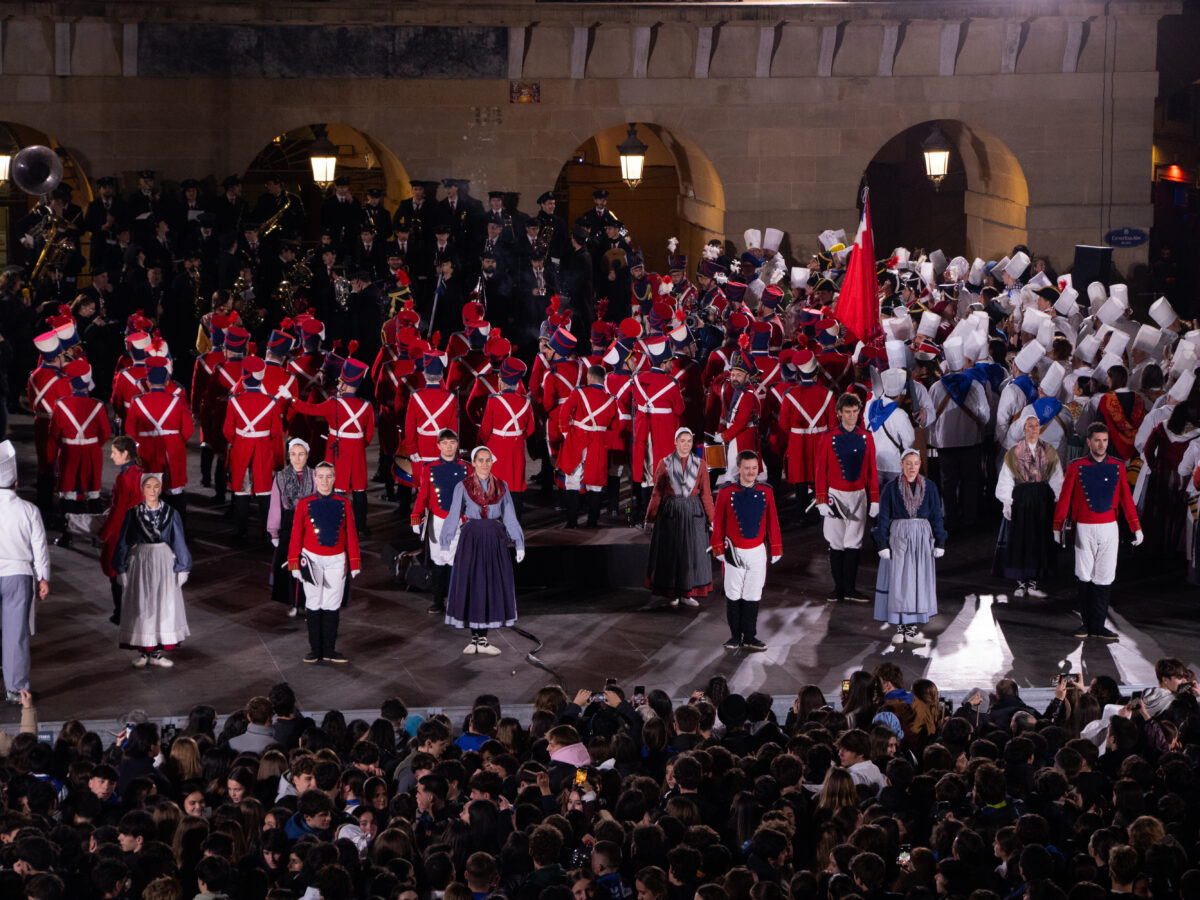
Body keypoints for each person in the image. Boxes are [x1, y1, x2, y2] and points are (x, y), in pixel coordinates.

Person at [1053, 422, 1143, 642]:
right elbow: (1064, 498)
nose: (1101, 444)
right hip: (1083, 527)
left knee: (1104, 577)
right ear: (1088, 441)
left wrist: (1136, 527)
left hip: (1109, 528)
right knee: (1084, 576)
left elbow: (1126, 500)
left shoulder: (1118, 466)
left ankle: (1099, 625)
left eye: (1104, 440)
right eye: (1097, 440)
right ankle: (1086, 623)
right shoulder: (1076, 466)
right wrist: (1057, 526)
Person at [439, 446, 525, 656]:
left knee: (490, 584)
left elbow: (510, 516)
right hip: (472, 539)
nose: (485, 464)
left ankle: (483, 639)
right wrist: (445, 542)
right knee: (472, 583)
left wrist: (519, 542)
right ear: (474, 463)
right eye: (481, 460)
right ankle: (474, 638)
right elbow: (453, 515)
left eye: (488, 460)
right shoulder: (464, 486)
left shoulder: (502, 487)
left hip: (494, 539)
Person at [113, 473, 192, 668]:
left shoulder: (170, 513)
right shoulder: (133, 513)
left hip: (163, 559)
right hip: (141, 559)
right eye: (148, 486)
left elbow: (179, 540)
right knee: (142, 603)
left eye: (156, 486)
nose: (153, 490)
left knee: (161, 603)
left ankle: (156, 653)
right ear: (142, 489)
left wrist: (183, 567)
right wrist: (121, 568)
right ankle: (143, 650)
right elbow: (123, 541)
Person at [288, 461, 361, 664]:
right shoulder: (304, 503)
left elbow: (351, 535)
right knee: (313, 603)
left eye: (328, 476)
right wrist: (294, 562)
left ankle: (329, 650)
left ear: (334, 478)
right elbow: (296, 535)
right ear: (314, 478)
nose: (324, 480)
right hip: (311, 560)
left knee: (331, 605)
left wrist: (354, 562)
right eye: (320, 476)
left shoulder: (344, 503)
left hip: (336, 560)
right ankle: (315, 650)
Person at [710, 450, 782, 652]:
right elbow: (718, 523)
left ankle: (750, 636)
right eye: (747, 468)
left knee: (753, 594)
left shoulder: (766, 491)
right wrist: (718, 549)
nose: (751, 472)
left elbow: (772, 522)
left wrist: (776, 547)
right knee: (734, 594)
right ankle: (734, 636)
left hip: (757, 551)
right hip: (734, 551)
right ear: (739, 468)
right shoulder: (726, 492)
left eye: (754, 468)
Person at [873, 448, 946, 647]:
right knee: (900, 583)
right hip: (900, 536)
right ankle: (899, 627)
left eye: (916, 463)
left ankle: (911, 628)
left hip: (922, 536)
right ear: (901, 465)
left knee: (918, 582)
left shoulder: (929, 487)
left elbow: (936, 515)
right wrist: (883, 543)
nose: (912, 467)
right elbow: (884, 517)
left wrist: (940, 541)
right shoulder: (890, 488)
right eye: (908, 463)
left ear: (920, 465)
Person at [815, 393, 880, 603]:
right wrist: (821, 499)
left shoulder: (867, 437)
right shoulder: (827, 437)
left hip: (859, 495)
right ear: (839, 413)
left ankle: (850, 589)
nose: (852, 416)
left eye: (855, 411)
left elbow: (872, 470)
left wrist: (875, 499)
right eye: (848, 412)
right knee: (836, 543)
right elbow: (820, 471)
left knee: (854, 543)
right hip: (835, 495)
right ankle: (838, 588)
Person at [993, 415, 1064, 598]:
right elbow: (1006, 478)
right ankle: (1020, 581)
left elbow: (1057, 477)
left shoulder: (1049, 451)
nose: (1033, 429)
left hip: (1042, 501)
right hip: (1022, 501)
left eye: (1036, 426)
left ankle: (1034, 581)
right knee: (1021, 540)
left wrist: (1059, 500)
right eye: (1029, 426)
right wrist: (1007, 501)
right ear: (1024, 429)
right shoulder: (1013, 452)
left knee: (1039, 539)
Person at [0, 441, 49, 701]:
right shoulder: (29, 510)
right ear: (16, 483)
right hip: (19, 576)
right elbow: (40, 547)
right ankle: (16, 689)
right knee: (15, 635)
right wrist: (43, 577)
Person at [644, 428, 715, 608]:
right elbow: (657, 493)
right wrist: (650, 518)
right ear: (675, 442)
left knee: (691, 554)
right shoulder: (664, 463)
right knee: (672, 553)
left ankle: (686, 592)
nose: (685, 445)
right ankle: (672, 592)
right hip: (671, 513)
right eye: (682, 441)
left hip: (693, 513)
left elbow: (706, 495)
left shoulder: (700, 464)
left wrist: (712, 519)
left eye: (689, 441)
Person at [411, 429, 468, 617]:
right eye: (445, 443)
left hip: (459, 521)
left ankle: (454, 601)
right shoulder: (429, 468)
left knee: (455, 562)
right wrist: (416, 516)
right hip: (437, 521)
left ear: (457, 444)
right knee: (438, 561)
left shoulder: (467, 468)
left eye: (452, 442)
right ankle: (437, 601)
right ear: (438, 445)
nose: (449, 446)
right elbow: (423, 496)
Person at [266, 438, 316, 618]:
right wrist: (274, 531)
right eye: (293, 454)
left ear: (307, 455)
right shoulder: (280, 477)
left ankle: (308, 602)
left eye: (301, 454)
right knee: (290, 564)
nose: (297, 458)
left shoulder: (315, 475)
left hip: (310, 524)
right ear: (289, 455)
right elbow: (275, 505)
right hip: (289, 523)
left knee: (309, 564)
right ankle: (293, 602)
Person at [99, 435, 143, 626]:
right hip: (140, 530)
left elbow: (118, 511)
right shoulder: (140, 472)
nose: (111, 456)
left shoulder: (123, 478)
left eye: (114, 453)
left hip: (122, 531)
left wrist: (105, 533)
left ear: (125, 454)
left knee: (116, 572)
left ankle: (121, 612)